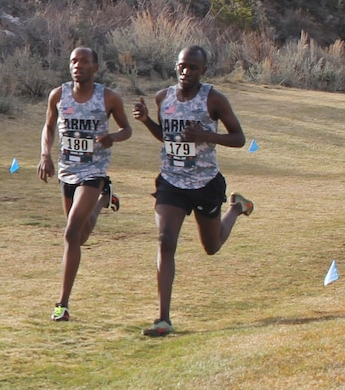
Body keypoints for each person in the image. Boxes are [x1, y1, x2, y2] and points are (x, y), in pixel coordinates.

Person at [132, 45, 254, 337]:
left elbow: (239, 138)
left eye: (193, 68)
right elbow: (167, 136)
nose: (186, 72)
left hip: (204, 184)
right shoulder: (164, 97)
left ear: (204, 71)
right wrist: (147, 120)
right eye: (182, 66)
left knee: (211, 247)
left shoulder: (214, 99)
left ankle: (236, 207)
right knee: (165, 241)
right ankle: (163, 319)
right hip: (171, 182)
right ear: (176, 67)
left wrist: (207, 136)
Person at [38, 47, 132, 322]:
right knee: (82, 236)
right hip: (67, 170)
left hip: (94, 170)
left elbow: (127, 129)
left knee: (70, 233)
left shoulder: (109, 97)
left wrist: (112, 137)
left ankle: (62, 304)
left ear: (95, 67)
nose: (77, 66)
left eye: (83, 62)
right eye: (73, 62)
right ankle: (105, 198)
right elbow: (49, 126)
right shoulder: (58, 94)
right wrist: (45, 154)